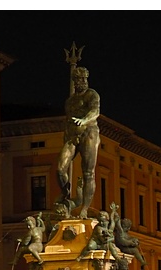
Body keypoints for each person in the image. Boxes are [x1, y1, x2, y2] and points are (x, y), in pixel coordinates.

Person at [56, 65, 100, 219]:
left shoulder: (92, 95)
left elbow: (95, 112)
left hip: (89, 133)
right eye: (77, 79)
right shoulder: (70, 101)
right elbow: (68, 120)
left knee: (88, 173)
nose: (80, 82)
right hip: (72, 137)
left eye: (82, 79)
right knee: (60, 169)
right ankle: (65, 193)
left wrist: (84, 120)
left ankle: (84, 209)